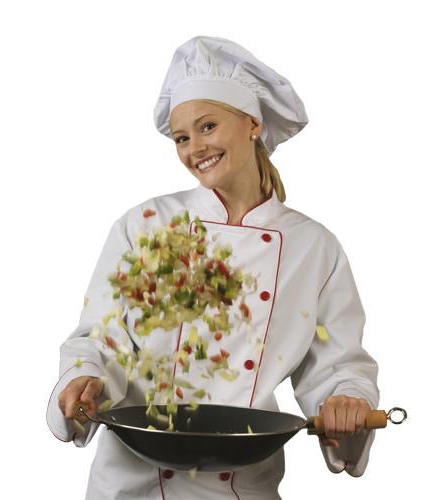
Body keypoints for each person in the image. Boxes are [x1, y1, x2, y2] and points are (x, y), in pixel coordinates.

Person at [48, 36, 379, 500]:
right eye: (182, 137)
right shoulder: (144, 224)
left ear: (252, 124)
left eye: (208, 126)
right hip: (131, 482)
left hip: (244, 484)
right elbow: (100, 339)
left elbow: (337, 363)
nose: (194, 148)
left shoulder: (315, 247)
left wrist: (348, 399)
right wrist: (84, 377)